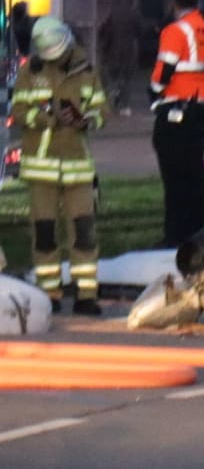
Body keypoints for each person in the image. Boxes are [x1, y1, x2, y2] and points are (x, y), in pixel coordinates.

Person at [10, 16, 108, 314]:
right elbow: (18, 111)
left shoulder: (86, 71)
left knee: (84, 232)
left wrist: (86, 120)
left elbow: (101, 110)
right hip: (41, 170)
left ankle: (86, 294)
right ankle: (49, 292)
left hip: (77, 168)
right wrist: (46, 118)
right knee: (44, 233)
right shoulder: (31, 71)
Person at [149, 0, 204, 248]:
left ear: (174, 3)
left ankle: (175, 234)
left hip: (176, 109)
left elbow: (163, 71)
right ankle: (195, 229)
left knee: (174, 173)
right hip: (200, 108)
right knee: (195, 171)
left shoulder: (175, 31)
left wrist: (153, 93)